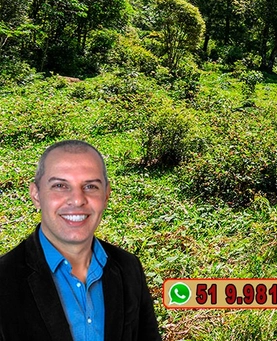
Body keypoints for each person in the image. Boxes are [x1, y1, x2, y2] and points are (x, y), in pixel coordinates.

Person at [0, 140, 161, 341]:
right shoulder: (4, 279)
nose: (77, 200)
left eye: (90, 186)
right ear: (36, 195)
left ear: (106, 195)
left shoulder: (128, 268)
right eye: (60, 185)